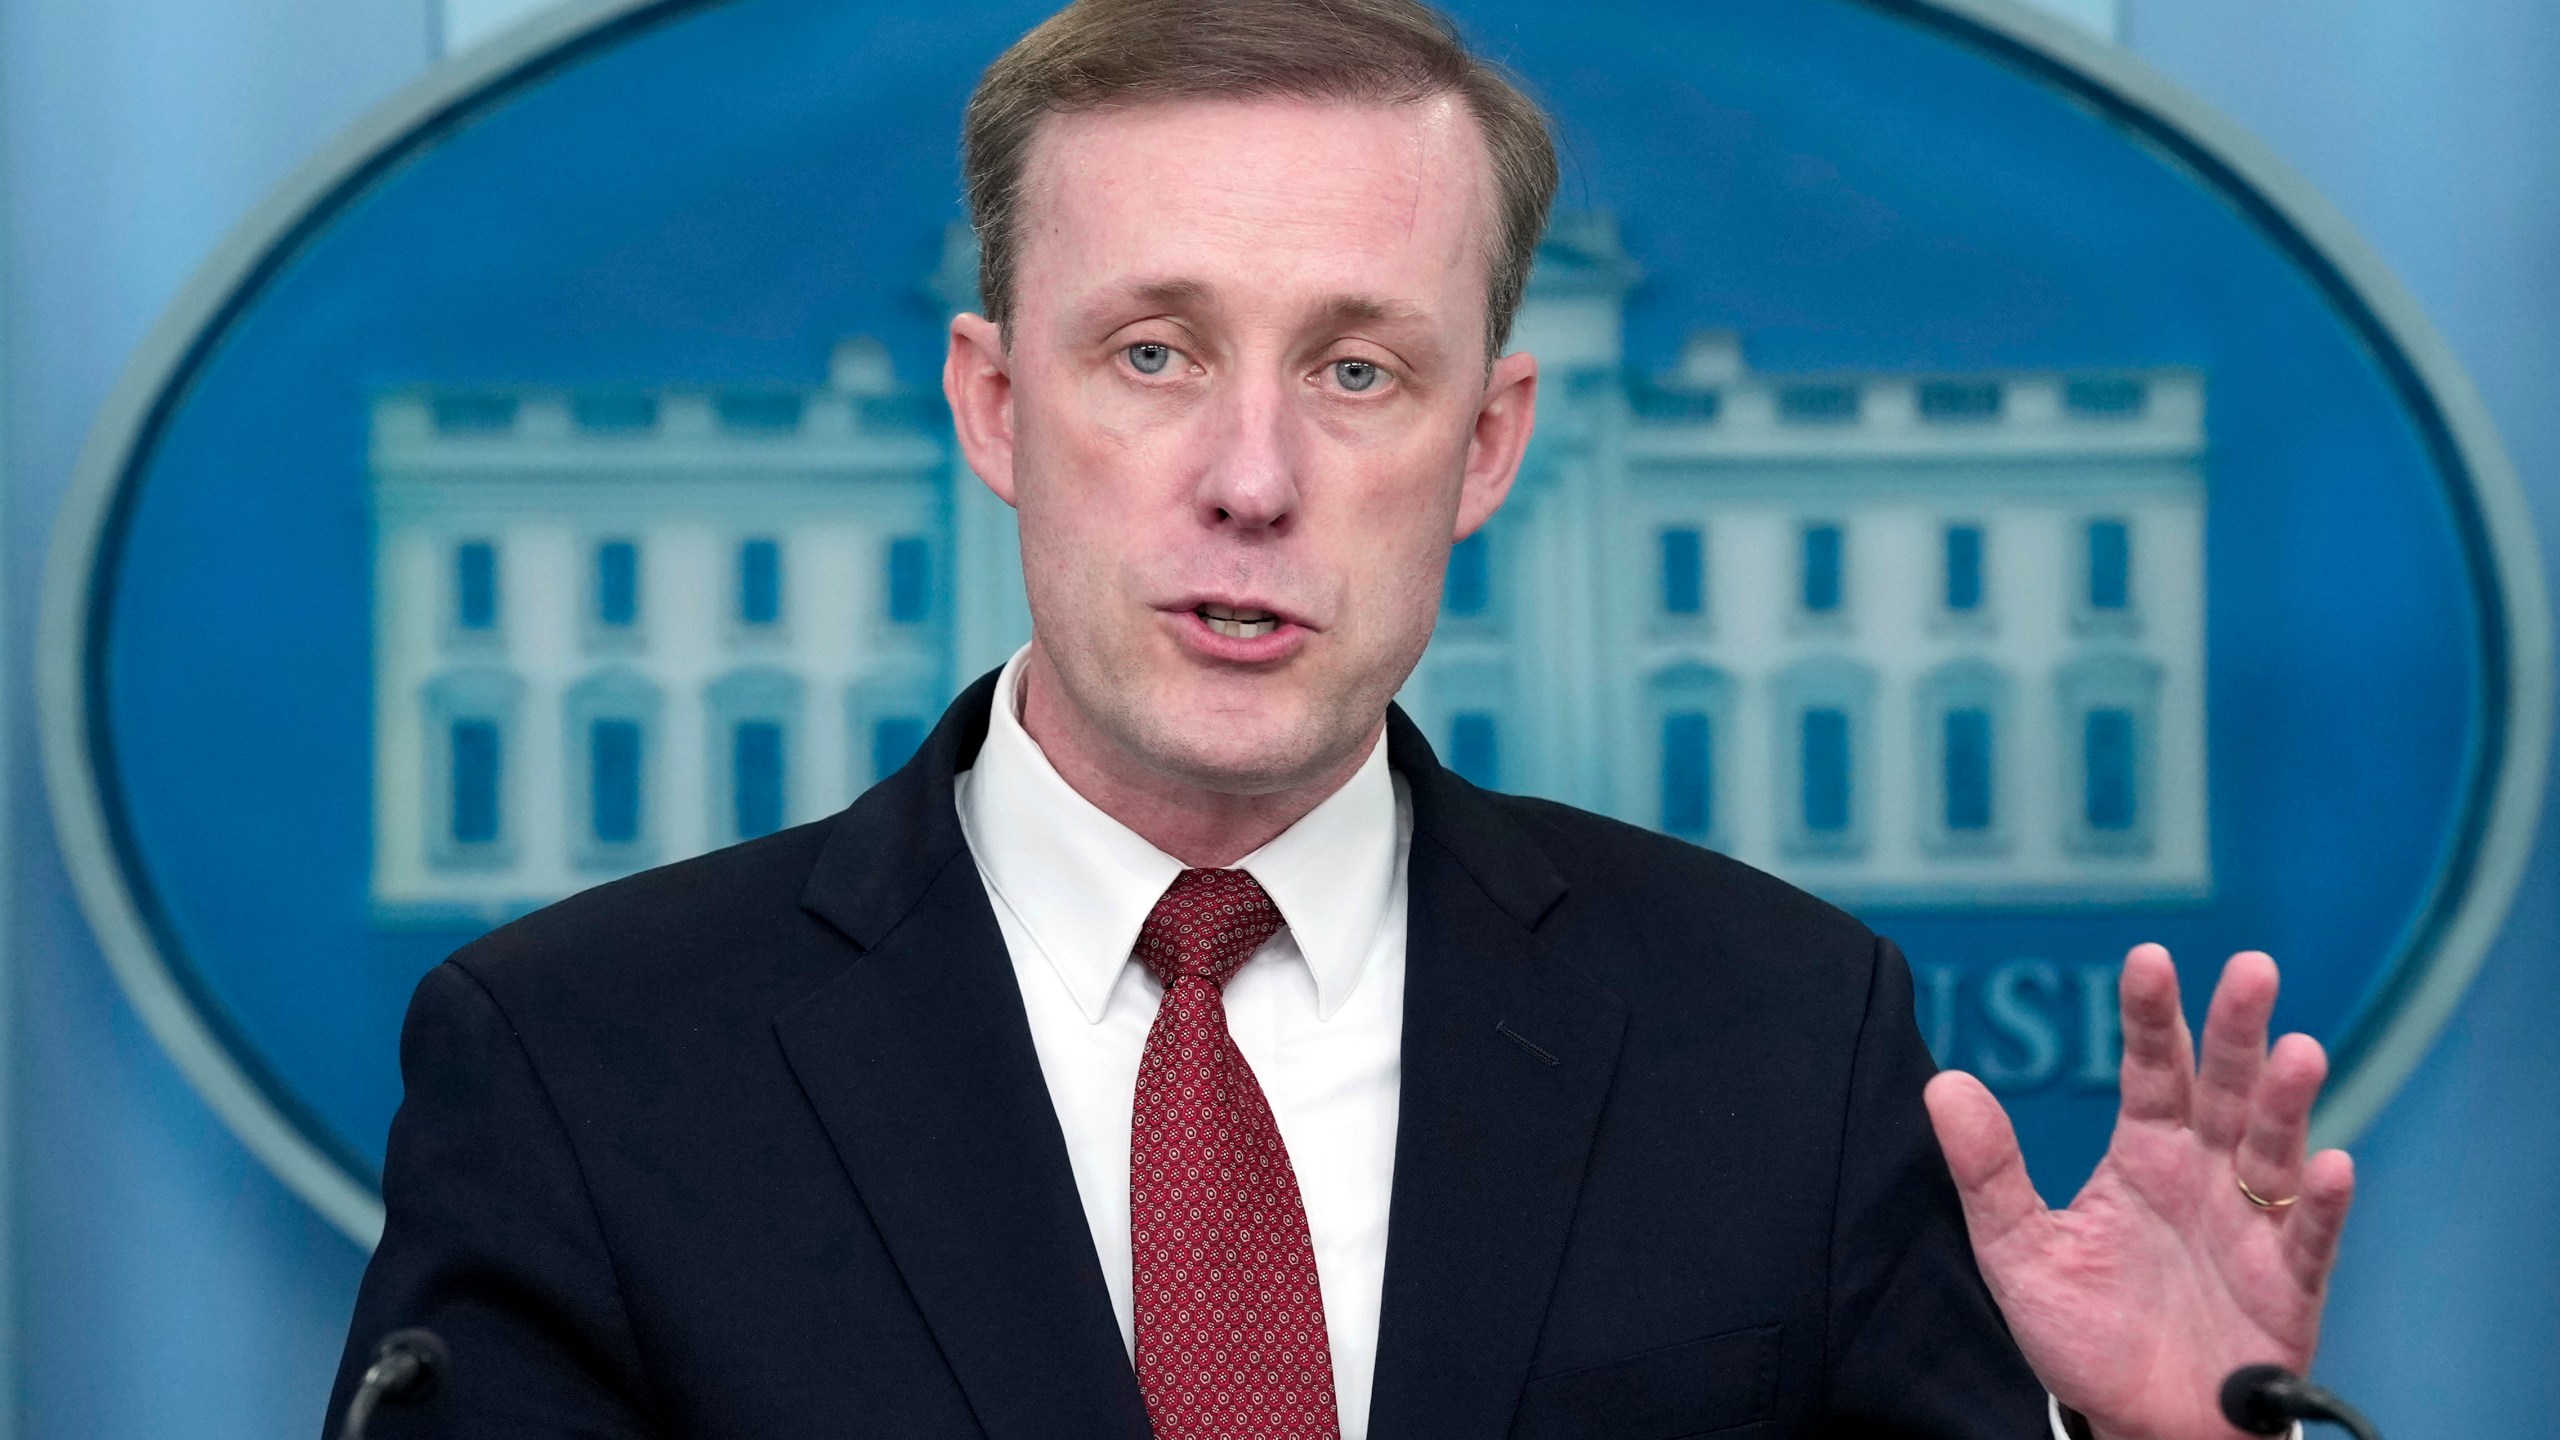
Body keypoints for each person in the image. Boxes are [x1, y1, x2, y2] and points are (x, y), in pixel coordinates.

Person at [326, 1, 2354, 1436]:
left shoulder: (1779, 1037)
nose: (1251, 475)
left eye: (1358, 374)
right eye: (1148, 350)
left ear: (1484, 447)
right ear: (991, 405)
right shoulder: (587, 1067)